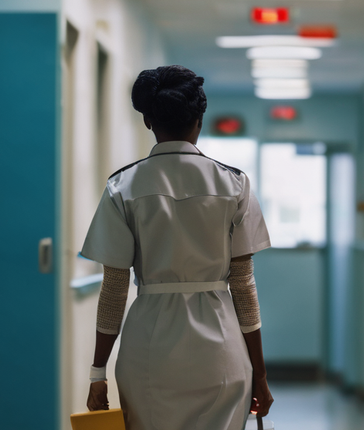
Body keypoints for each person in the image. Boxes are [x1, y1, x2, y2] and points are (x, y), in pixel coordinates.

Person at [80, 65, 274, 430]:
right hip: (222, 353)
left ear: (148, 121)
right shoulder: (234, 185)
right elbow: (244, 286)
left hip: (148, 354)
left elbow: (114, 290)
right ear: (199, 120)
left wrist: (97, 372)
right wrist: (260, 375)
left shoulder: (122, 187)